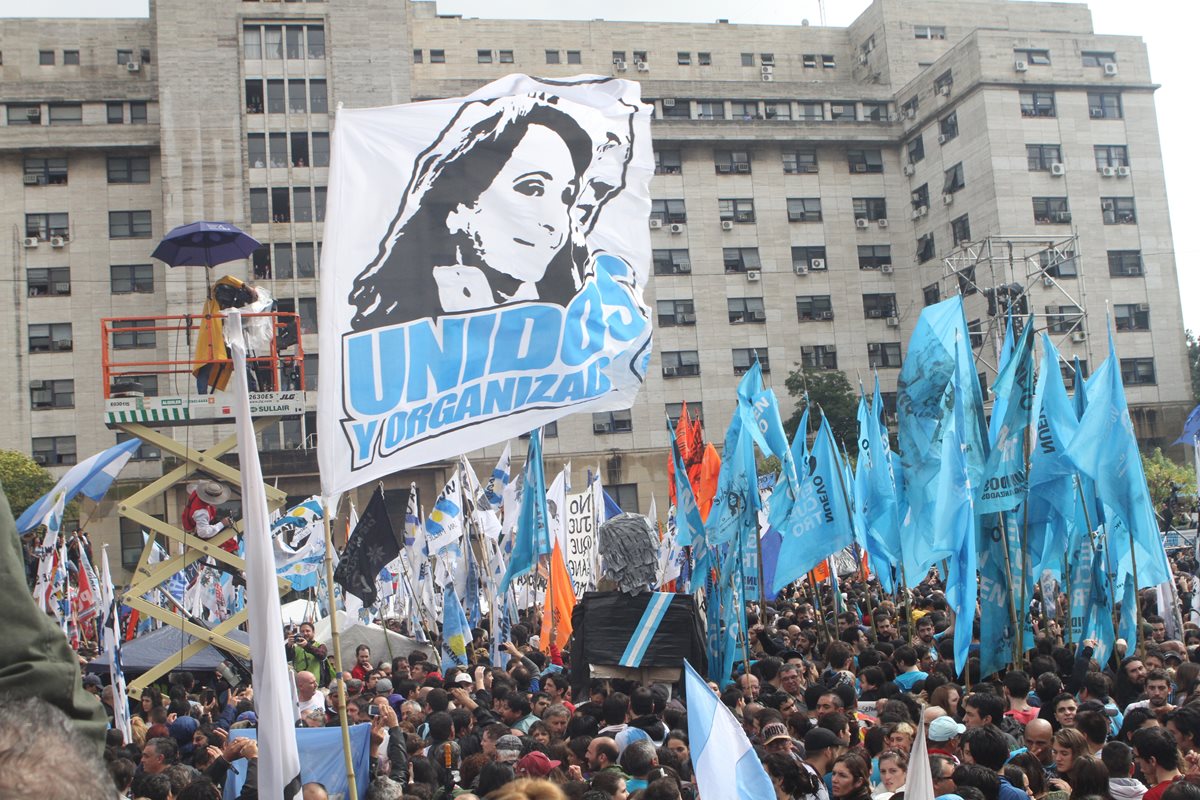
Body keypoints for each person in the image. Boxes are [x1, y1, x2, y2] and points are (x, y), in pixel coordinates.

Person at [348, 95, 632, 330]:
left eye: (566, 196)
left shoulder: (570, 315)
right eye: (532, 188)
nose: (555, 222)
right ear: (457, 206)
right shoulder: (396, 321)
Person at [1131, 727, 1182, 800]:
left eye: (1138, 757)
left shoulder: (1153, 796)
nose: (1137, 763)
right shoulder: (1193, 784)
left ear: (1152, 761)